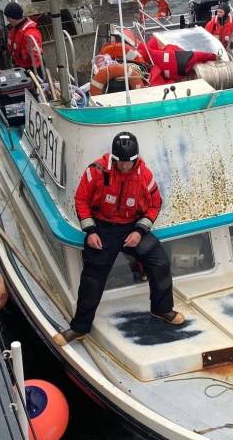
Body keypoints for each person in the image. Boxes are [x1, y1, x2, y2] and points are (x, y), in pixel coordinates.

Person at [53, 132, 184, 346]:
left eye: (128, 162)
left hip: (132, 226)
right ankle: (79, 328)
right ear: (113, 158)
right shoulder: (96, 170)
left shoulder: (144, 175)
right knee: (92, 277)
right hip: (103, 229)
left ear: (135, 159)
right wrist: (91, 231)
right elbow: (81, 199)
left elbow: (155, 204)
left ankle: (162, 309)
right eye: (119, 161)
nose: (123, 166)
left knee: (159, 262)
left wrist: (139, 231)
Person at [3, 2, 44, 74]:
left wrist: (37, 75)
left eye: (8, 18)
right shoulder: (15, 29)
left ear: (11, 18)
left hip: (29, 70)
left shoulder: (30, 34)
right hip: (19, 65)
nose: (7, 20)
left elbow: (37, 58)